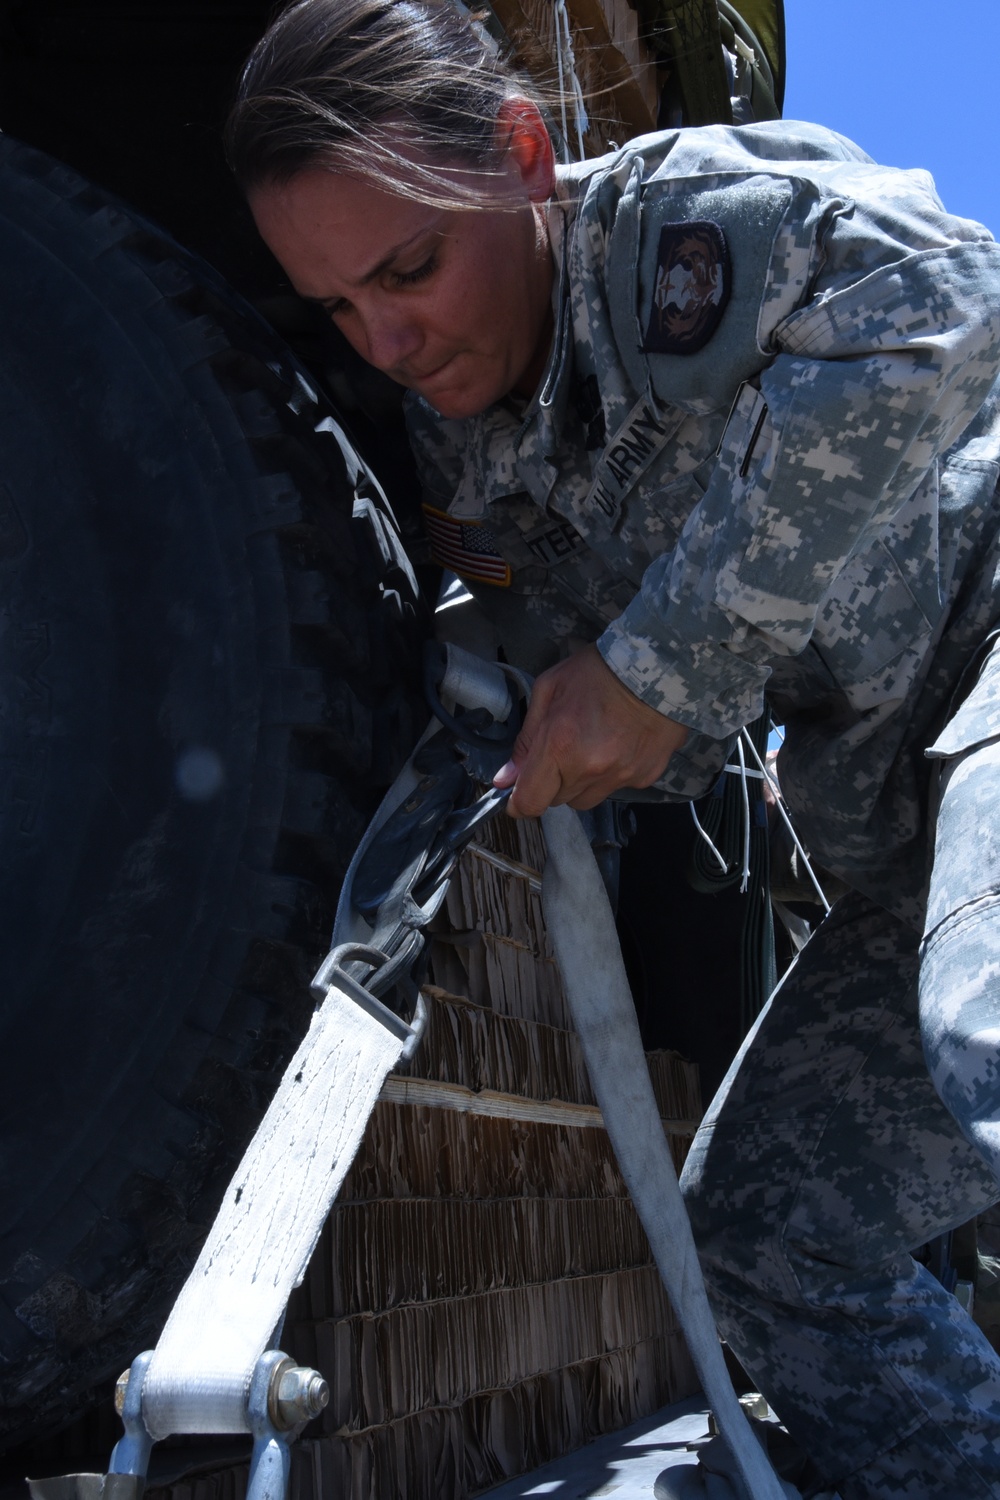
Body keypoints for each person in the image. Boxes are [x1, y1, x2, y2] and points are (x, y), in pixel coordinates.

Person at [226, 2, 1000, 1494]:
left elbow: (947, 292)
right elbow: (602, 675)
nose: (389, 338)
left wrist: (661, 666)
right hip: (897, 830)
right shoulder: (462, 451)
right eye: (338, 309)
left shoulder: (669, 234)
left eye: (408, 267)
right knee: (777, 1223)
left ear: (521, 158)